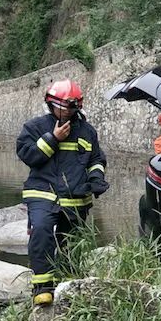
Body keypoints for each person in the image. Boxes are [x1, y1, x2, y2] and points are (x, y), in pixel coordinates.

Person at [17, 79, 108, 306]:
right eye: (60, 106)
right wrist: (52, 139)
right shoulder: (35, 127)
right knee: (41, 230)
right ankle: (43, 288)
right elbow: (28, 155)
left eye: (69, 107)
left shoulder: (87, 132)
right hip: (42, 193)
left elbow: (96, 159)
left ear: (77, 107)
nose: (64, 111)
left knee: (70, 241)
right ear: (50, 104)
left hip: (76, 197)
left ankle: (67, 283)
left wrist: (96, 178)